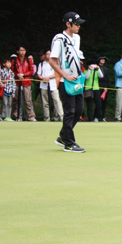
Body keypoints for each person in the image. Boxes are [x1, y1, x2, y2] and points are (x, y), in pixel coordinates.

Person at [49, 11, 86, 152]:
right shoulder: (59, 39)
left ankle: (63, 136)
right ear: (68, 24)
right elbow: (52, 60)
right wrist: (65, 75)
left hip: (77, 79)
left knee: (79, 111)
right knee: (69, 111)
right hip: (66, 80)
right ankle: (69, 143)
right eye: (76, 24)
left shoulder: (77, 38)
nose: (78, 26)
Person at [38, 49, 63, 122]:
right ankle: (47, 116)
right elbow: (39, 74)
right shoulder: (42, 64)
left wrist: (48, 77)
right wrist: (43, 78)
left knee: (56, 100)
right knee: (45, 101)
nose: (48, 55)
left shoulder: (55, 64)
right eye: (47, 54)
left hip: (53, 84)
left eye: (49, 54)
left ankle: (60, 116)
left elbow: (56, 73)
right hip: (44, 85)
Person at [12, 46, 36, 121]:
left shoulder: (29, 60)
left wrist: (24, 74)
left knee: (28, 100)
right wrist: (17, 75)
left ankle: (31, 116)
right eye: (21, 50)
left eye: (24, 50)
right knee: (17, 100)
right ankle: (18, 116)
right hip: (17, 82)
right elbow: (12, 71)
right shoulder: (14, 60)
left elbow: (31, 71)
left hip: (26, 82)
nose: (22, 52)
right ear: (18, 51)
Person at [95, 57, 109, 121]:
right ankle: (96, 117)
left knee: (104, 103)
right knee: (98, 103)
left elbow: (106, 79)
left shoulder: (106, 69)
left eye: (104, 60)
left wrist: (106, 87)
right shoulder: (96, 68)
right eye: (101, 59)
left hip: (104, 87)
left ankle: (102, 116)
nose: (103, 60)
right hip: (98, 86)